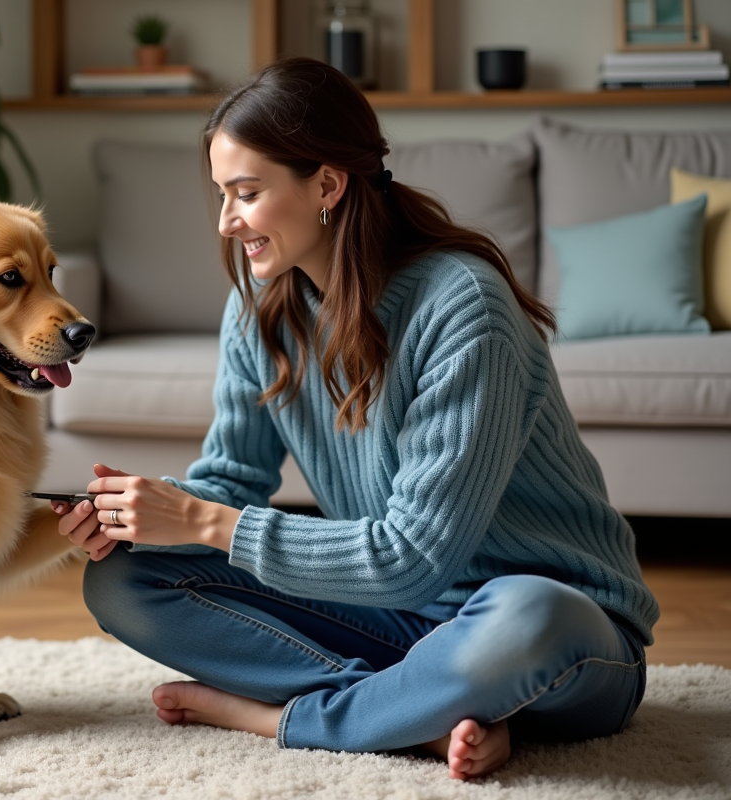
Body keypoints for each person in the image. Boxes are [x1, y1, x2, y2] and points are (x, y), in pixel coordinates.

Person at [52, 57, 658, 781]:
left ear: (328, 185)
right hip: (397, 626)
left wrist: (203, 523)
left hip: (560, 637)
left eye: (246, 193)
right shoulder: (259, 308)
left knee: (526, 614)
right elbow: (230, 479)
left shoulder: (464, 308)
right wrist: (139, 514)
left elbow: (412, 558)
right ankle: (421, 709)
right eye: (222, 195)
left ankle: (290, 716)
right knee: (123, 578)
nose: (226, 221)